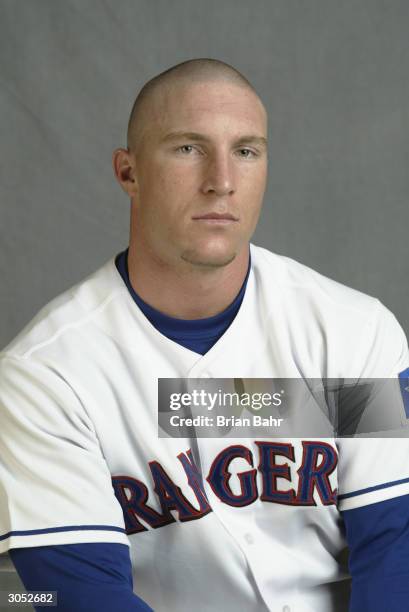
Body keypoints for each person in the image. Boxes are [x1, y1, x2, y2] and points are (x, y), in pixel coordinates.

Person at [1, 58, 409, 612]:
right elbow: (81, 595)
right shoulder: (45, 373)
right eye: (187, 148)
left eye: (246, 150)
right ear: (129, 172)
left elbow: (396, 551)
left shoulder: (353, 334)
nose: (221, 180)